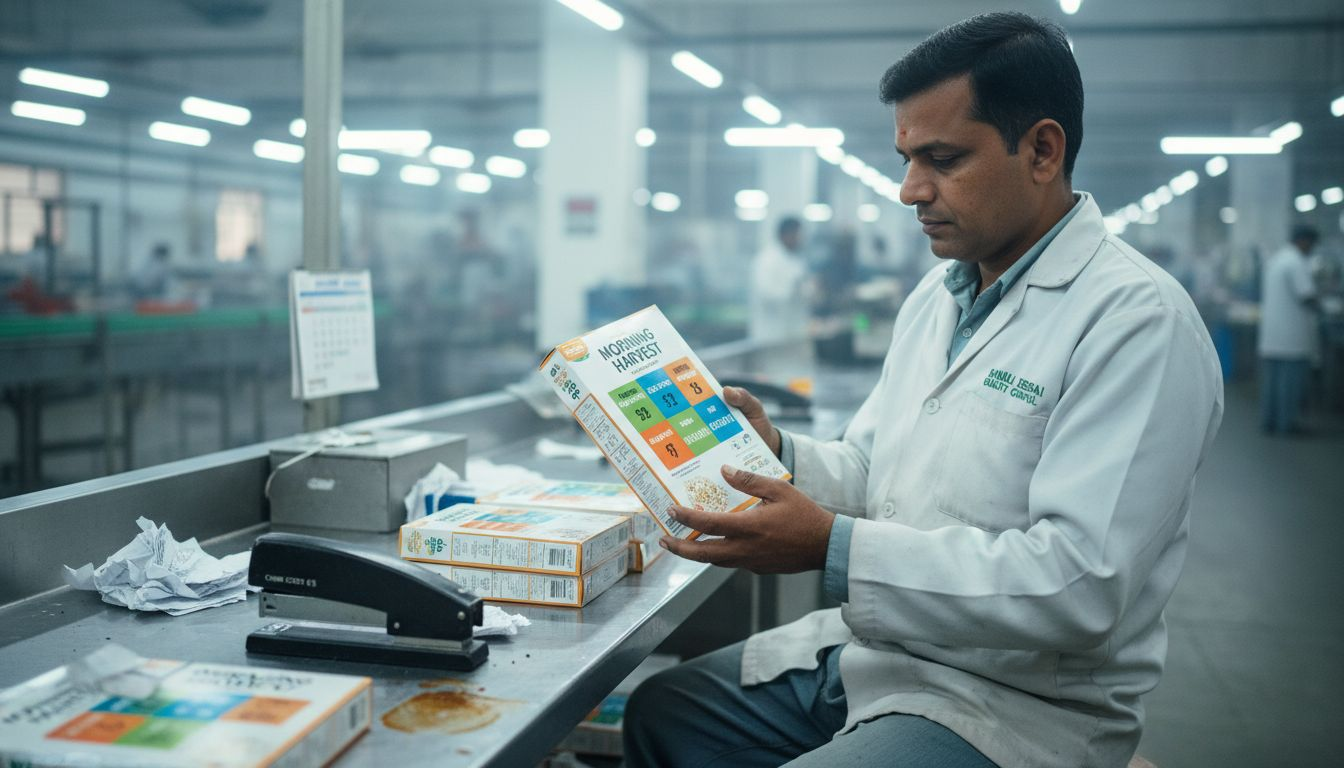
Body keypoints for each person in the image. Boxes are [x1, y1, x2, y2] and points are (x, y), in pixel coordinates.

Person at [625, 12, 1224, 768]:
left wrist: (832, 548)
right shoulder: (940, 297)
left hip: (1016, 702)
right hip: (882, 658)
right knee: (664, 714)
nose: (911, 189)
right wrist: (774, 453)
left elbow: (1080, 584)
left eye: (943, 158)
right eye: (908, 157)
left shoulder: (1137, 322)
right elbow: (876, 472)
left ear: (1042, 149)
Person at [1258, 225, 1320, 435]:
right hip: (1291, 336)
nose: (1311, 248)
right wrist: (1324, 306)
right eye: (1311, 244)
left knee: (1272, 383)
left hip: (1273, 334)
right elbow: (1307, 295)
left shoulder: (1277, 259)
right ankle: (1286, 425)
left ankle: (1270, 421)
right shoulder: (1296, 262)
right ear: (1303, 240)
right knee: (1289, 385)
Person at [749, 216, 810, 343]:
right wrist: (794, 287)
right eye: (798, 235)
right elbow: (767, 295)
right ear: (786, 235)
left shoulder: (795, 260)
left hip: (793, 334)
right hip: (770, 335)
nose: (801, 239)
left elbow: (804, 293)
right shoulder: (766, 260)